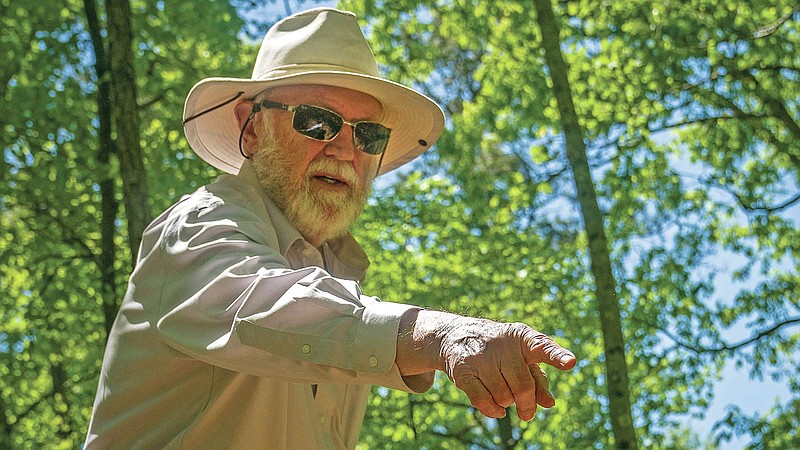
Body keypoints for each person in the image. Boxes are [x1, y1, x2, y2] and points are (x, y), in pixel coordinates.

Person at [85, 7, 577, 449]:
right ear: (252, 128)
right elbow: (262, 305)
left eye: (368, 134)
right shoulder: (197, 226)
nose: (345, 149)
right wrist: (437, 334)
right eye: (317, 121)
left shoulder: (343, 282)